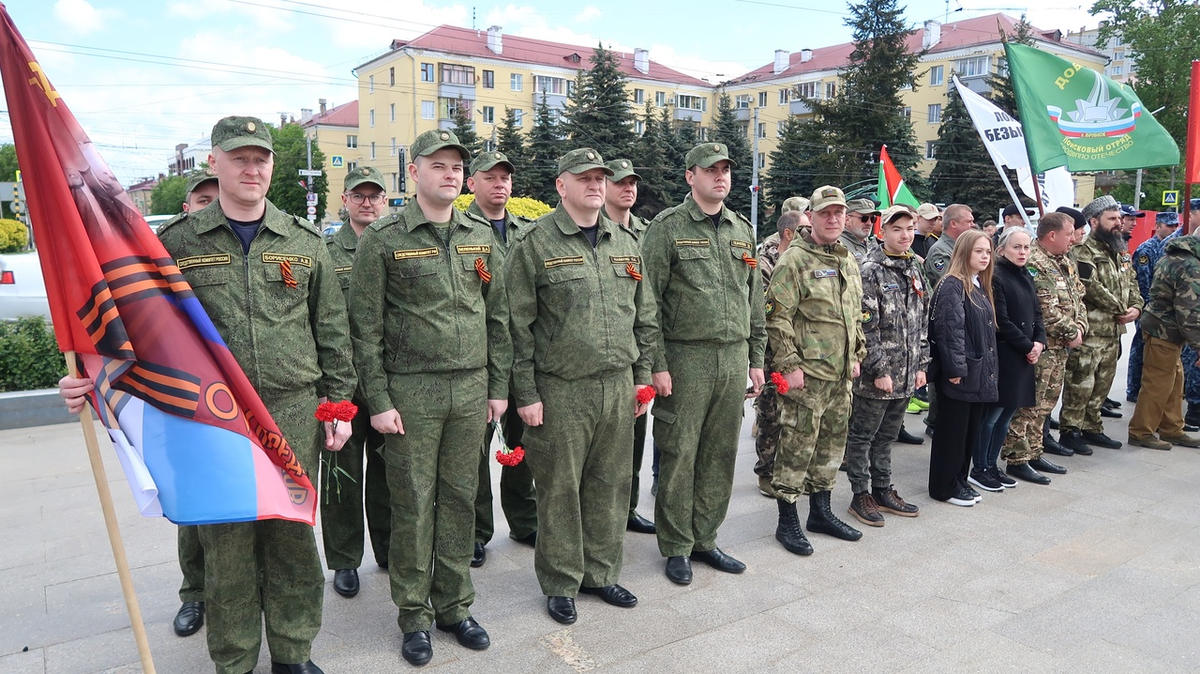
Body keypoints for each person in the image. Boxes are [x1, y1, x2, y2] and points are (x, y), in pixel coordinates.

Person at [61, 116, 358, 674]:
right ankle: (235, 659)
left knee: (293, 538)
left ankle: (293, 653)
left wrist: (337, 407)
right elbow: (131, 326)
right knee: (227, 547)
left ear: (272, 166)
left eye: (261, 159)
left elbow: (332, 330)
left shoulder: (302, 240)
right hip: (215, 419)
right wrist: (87, 374)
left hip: (292, 408)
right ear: (214, 164)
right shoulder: (174, 244)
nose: (252, 168)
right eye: (239, 158)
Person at [348, 130, 512, 666]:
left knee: (461, 497)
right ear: (413, 172)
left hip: (469, 388)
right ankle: (414, 615)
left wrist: (497, 387)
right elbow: (364, 328)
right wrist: (378, 400)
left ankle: (455, 604)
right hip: (409, 392)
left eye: (457, 166)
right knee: (414, 504)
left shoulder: (478, 233)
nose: (450, 174)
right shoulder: (385, 236)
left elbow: (498, 317)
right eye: (437, 165)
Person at [504, 148, 656, 625]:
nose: (595, 184)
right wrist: (525, 394)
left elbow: (645, 316)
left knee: (610, 485)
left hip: (617, 384)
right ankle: (561, 581)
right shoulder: (535, 243)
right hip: (560, 389)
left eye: (600, 178)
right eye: (583, 177)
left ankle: (602, 572)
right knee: (560, 490)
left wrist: (642, 379)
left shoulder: (625, 242)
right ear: (561, 185)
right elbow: (516, 326)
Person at [641, 142, 766, 584]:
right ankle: (676, 545)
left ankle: (706, 538)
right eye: (710, 170)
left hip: (732, 356)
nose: (720, 177)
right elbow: (647, 300)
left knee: (720, 452)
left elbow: (753, 296)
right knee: (680, 451)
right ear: (690, 176)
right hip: (685, 356)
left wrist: (756, 356)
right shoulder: (667, 227)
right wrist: (656, 363)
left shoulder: (740, 228)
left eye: (726, 170)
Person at [765, 185, 866, 555]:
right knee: (796, 446)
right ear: (812, 217)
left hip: (840, 374)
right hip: (806, 375)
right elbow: (777, 318)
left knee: (831, 446)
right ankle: (787, 520)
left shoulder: (846, 258)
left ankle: (820, 512)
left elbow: (854, 314)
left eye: (839, 212)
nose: (834, 218)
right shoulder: (795, 260)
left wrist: (856, 354)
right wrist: (788, 365)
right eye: (826, 213)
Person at [322, 167, 393, 599]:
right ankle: (345, 560)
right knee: (342, 476)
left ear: (385, 200)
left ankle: (387, 548)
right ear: (345, 200)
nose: (367, 202)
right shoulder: (328, 251)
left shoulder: (400, 243)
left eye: (375, 195)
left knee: (389, 473)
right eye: (358, 195)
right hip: (344, 381)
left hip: (388, 381)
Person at [466, 149, 538, 568]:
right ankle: (476, 531)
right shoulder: (461, 229)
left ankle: (524, 519)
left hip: (523, 352)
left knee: (522, 441)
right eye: (490, 177)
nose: (500, 184)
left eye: (505, 178)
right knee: (475, 448)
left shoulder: (526, 231)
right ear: (471, 183)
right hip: (483, 354)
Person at [843, 205, 927, 527]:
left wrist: (921, 365)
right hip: (878, 377)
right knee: (863, 436)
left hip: (906, 374)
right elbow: (866, 326)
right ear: (883, 232)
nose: (904, 235)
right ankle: (860, 493)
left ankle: (882, 488)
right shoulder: (871, 269)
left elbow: (921, 322)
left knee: (887, 436)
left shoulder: (914, 268)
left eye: (909, 229)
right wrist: (879, 370)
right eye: (897, 229)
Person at [170, 168, 220, 639]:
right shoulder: (173, 247)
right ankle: (195, 594)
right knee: (196, 510)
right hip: (191, 400)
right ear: (188, 207)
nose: (211, 206)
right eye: (202, 200)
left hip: (246, 400)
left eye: (216, 199)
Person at [1001, 212, 1085, 485]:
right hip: (1043, 346)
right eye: (1069, 233)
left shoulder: (1064, 261)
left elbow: (1079, 296)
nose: (1073, 238)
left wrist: (1080, 326)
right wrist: (1072, 332)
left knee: (1046, 404)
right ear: (1052, 235)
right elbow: (1045, 309)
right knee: (1029, 404)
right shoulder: (1036, 263)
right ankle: (1017, 457)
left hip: (1060, 347)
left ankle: (1035, 451)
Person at [1059, 196, 1142, 453]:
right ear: (1094, 222)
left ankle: (1092, 427)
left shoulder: (1120, 250)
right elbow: (1092, 288)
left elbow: (1133, 283)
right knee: (1081, 382)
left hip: (1113, 330)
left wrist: (1136, 308)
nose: (1119, 223)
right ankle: (1070, 430)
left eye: (1119, 218)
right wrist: (1121, 308)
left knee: (1103, 382)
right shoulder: (1082, 251)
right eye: (1112, 219)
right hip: (1091, 331)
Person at [602, 158, 655, 535]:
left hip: (638, 352)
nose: (628, 189)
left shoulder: (646, 233)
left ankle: (630, 506)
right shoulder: (596, 230)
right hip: (604, 354)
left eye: (633, 183)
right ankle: (604, 512)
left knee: (636, 439)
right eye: (620, 182)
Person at [926, 229, 998, 507]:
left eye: (988, 251)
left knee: (968, 432)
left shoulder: (978, 283)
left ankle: (959, 479)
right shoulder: (953, 284)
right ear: (964, 252)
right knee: (952, 433)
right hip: (962, 372)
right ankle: (944, 486)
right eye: (978, 251)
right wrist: (955, 369)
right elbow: (949, 330)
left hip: (978, 371)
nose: (984, 256)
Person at [972, 227, 1044, 492]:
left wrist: (1040, 342)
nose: (1023, 252)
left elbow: (1037, 313)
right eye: (1017, 247)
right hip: (1006, 354)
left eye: (1026, 247)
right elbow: (1001, 320)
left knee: (1006, 416)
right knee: (991, 417)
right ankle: (979, 468)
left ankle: (992, 465)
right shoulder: (997, 276)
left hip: (1024, 355)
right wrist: (1028, 346)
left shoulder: (1027, 275)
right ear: (1001, 250)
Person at [754, 208, 808, 498]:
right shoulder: (766, 263)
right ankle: (765, 471)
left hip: (800, 351)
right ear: (789, 233)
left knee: (796, 416)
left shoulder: (806, 259)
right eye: (804, 228)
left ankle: (790, 470)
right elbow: (765, 310)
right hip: (771, 352)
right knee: (771, 415)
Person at [1129, 234, 1200, 449]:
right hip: (1165, 330)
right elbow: (1189, 311)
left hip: (1164, 329)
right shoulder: (1191, 265)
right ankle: (1141, 432)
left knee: (1173, 381)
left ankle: (1171, 429)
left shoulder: (1176, 255)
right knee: (1157, 383)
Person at [922, 204, 976, 436]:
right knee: (944, 369)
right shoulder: (941, 250)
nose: (973, 224)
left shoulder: (960, 248)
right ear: (953, 223)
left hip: (964, 315)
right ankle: (935, 420)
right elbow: (953, 281)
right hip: (945, 317)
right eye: (968, 221)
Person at [1128, 212, 1181, 404]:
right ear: (1158, 226)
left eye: (1175, 226)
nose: (1173, 229)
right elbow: (1143, 282)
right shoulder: (1146, 250)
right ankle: (1133, 388)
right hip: (1148, 307)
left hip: (1161, 310)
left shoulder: (1170, 248)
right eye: (1169, 226)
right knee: (1140, 347)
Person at [840, 198, 880, 264]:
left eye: (873, 219)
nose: (869, 223)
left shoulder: (874, 245)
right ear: (847, 220)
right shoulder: (838, 245)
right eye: (864, 218)